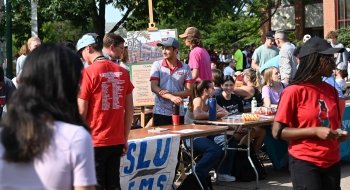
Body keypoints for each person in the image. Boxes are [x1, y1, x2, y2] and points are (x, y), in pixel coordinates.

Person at [0, 44, 96, 189]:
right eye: (78, 80)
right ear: (66, 85)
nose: (80, 87)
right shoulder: (75, 138)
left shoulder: (3, 136)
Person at [272, 36, 349, 190]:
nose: (333, 64)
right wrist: (314, 131)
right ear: (315, 60)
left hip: (332, 160)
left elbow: (332, 124)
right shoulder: (293, 92)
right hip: (305, 162)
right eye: (328, 59)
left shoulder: (332, 90)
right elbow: (277, 132)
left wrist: (339, 134)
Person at [76, 33, 134, 190]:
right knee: (114, 184)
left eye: (81, 52)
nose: (82, 58)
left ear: (88, 48)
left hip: (94, 140)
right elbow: (130, 109)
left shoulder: (87, 73)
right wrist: (125, 137)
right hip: (116, 139)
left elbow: (81, 111)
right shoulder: (123, 72)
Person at [184, 80, 229, 184]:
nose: (215, 90)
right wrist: (216, 115)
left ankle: (221, 173)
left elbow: (226, 112)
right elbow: (197, 115)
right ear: (205, 90)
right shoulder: (197, 100)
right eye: (212, 88)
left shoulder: (211, 100)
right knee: (214, 150)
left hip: (207, 134)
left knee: (227, 142)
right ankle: (197, 172)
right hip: (193, 136)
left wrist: (218, 113)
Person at [150, 37, 193, 126]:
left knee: (178, 139)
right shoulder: (157, 65)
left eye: (167, 48)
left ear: (176, 50)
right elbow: (154, 87)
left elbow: (189, 91)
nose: (164, 51)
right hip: (160, 112)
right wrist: (171, 97)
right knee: (160, 139)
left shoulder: (185, 67)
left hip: (178, 112)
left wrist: (172, 95)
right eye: (163, 48)